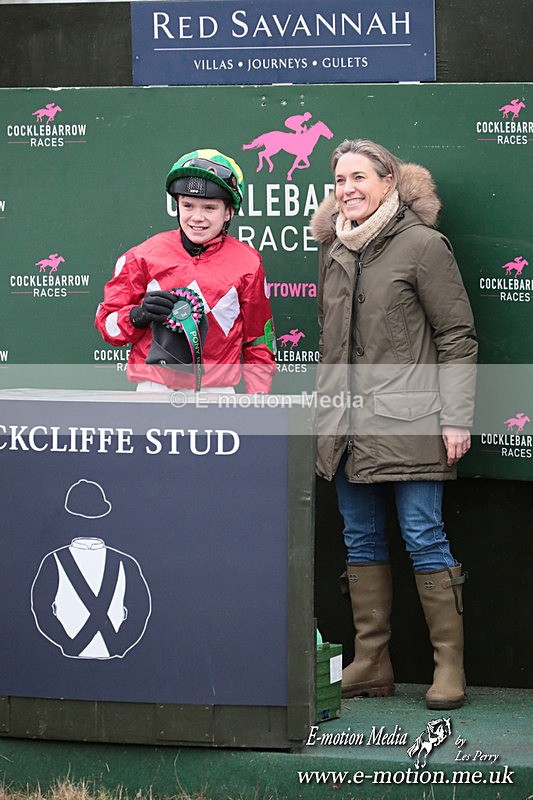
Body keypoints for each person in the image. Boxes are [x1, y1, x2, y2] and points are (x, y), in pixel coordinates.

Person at [310, 139, 477, 710]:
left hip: (412, 422)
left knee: (424, 537)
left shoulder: (424, 246)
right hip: (346, 426)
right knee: (358, 539)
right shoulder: (334, 250)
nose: (348, 189)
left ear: (390, 182)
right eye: (339, 181)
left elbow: (457, 338)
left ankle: (448, 666)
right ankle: (372, 661)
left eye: (359, 177)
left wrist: (456, 418)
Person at [95, 148, 276, 394]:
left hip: (217, 394)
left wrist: (258, 402)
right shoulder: (141, 256)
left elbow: (259, 342)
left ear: (229, 212)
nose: (197, 217)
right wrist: (138, 315)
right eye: (188, 205)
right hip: (154, 391)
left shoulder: (249, 263)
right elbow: (107, 326)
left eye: (209, 208)